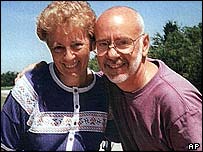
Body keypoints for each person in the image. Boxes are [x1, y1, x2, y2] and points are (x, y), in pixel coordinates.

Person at [1, 1, 114, 151]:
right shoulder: (29, 89)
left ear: (92, 44)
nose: (68, 57)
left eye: (77, 45)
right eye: (58, 48)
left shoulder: (106, 89)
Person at [94, 6, 202, 151]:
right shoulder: (109, 82)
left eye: (123, 43)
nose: (112, 54)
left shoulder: (177, 103)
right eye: (103, 44)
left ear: (144, 45)